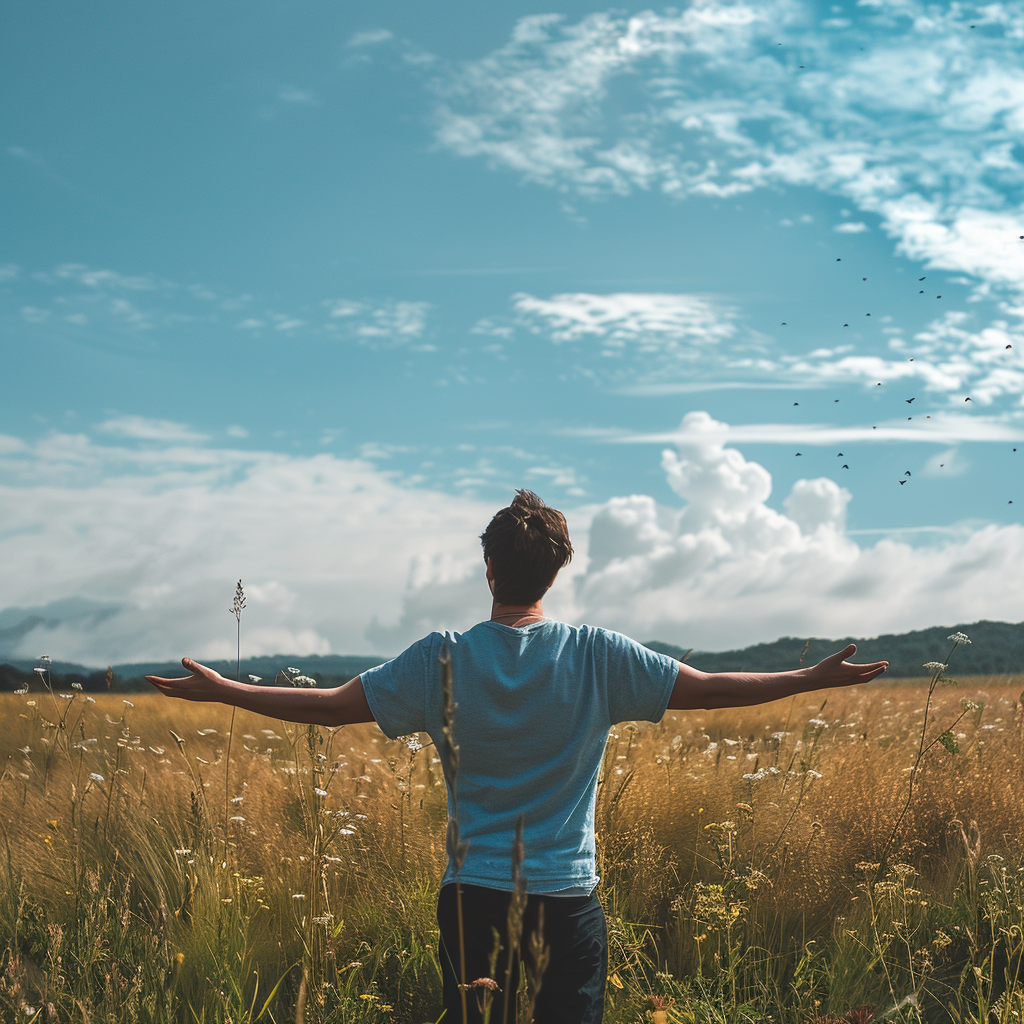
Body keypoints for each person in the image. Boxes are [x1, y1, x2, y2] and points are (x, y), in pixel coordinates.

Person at [148, 489, 888, 1024]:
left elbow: (332, 707)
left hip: (473, 901)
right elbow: (713, 688)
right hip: (568, 905)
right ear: (555, 572)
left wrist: (226, 691)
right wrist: (809, 676)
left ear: (491, 569)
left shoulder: (440, 660)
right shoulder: (597, 656)